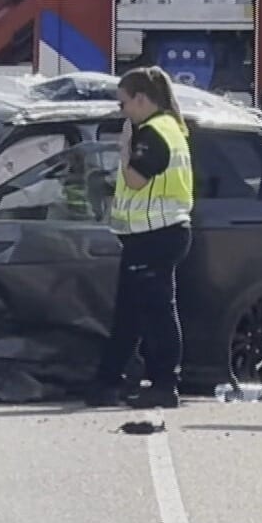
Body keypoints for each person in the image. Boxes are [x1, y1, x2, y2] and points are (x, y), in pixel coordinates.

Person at [87, 66, 194, 409]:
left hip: (156, 234)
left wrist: (125, 149)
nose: (122, 111)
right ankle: (109, 381)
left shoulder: (153, 133)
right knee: (130, 313)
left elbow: (135, 180)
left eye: (123, 104)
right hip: (150, 235)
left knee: (158, 313)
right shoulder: (169, 128)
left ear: (141, 99)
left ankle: (165, 383)